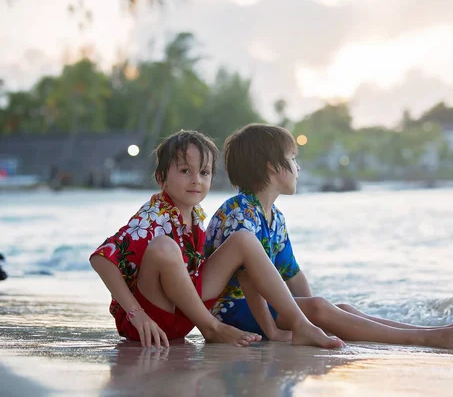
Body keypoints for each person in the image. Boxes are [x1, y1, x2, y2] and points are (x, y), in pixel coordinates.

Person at [204, 124, 453, 349]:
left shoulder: (274, 217)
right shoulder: (240, 212)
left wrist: (315, 316)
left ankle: (430, 331)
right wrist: (278, 329)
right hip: (232, 311)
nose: (298, 167)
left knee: (339, 308)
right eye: (292, 159)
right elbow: (247, 277)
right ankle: (426, 339)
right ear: (273, 166)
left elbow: (292, 274)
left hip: (260, 308)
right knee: (320, 308)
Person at [90, 130, 343, 349]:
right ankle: (212, 328)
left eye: (204, 172)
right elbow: (102, 259)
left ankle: (301, 324)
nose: (195, 180)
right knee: (164, 247)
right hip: (152, 321)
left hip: (186, 314)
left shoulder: (197, 216)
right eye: (185, 171)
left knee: (243, 239)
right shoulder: (155, 214)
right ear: (161, 178)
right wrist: (137, 314)